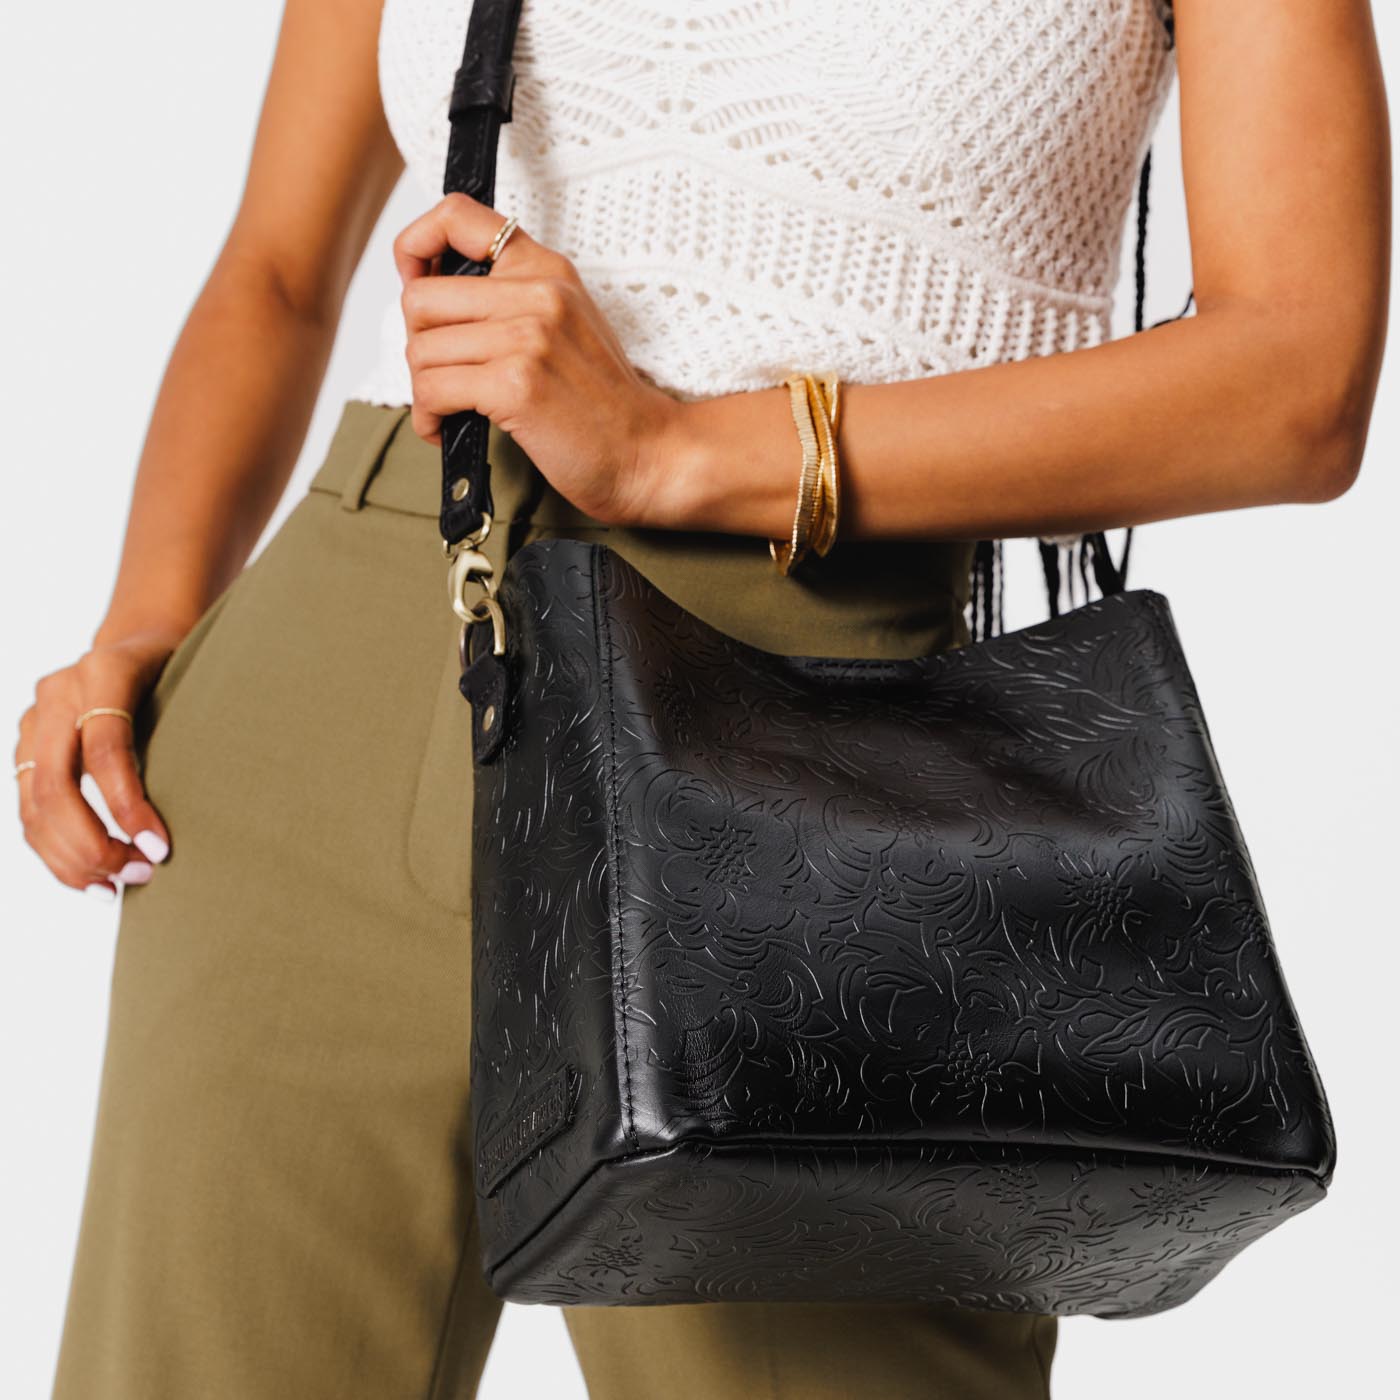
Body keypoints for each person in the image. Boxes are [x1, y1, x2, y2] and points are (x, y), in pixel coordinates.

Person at [17, 1, 1388, 1397]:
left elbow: (1298, 374)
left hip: (825, 765)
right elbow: (277, 270)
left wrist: (678, 452)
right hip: (327, 704)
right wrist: (146, 624)